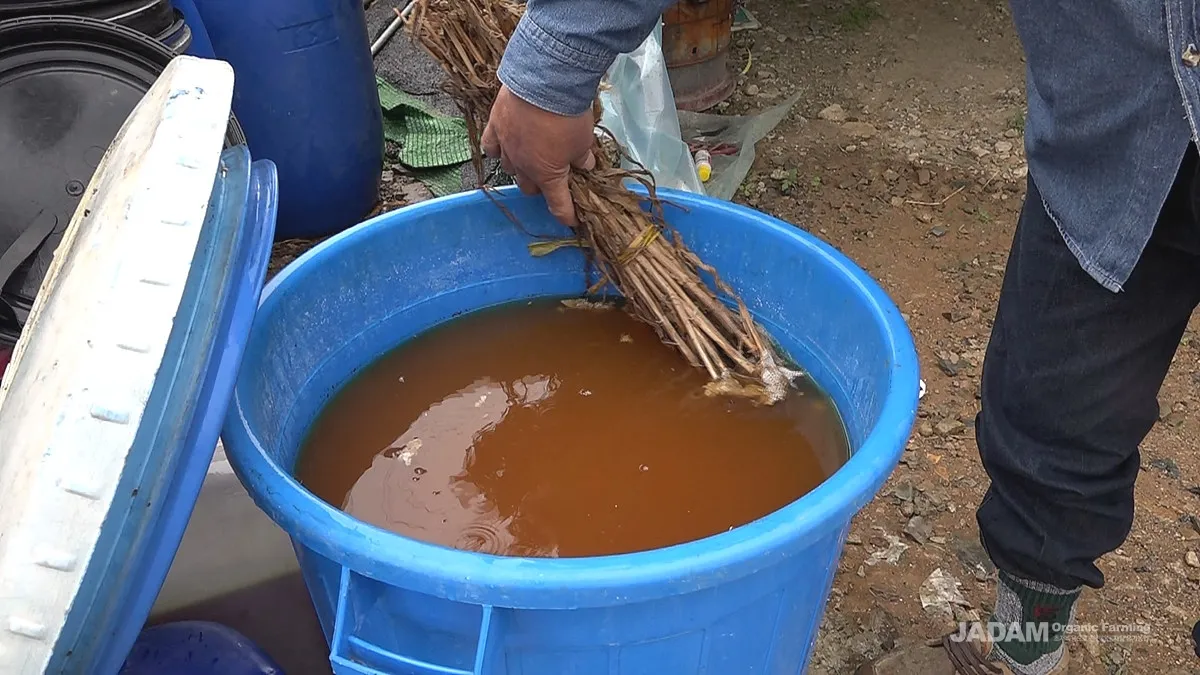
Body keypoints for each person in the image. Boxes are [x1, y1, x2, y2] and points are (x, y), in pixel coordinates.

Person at [484, 1, 1200, 674]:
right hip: (1113, 133)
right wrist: (557, 59)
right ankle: (1026, 645)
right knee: (1051, 418)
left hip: (1112, 120)